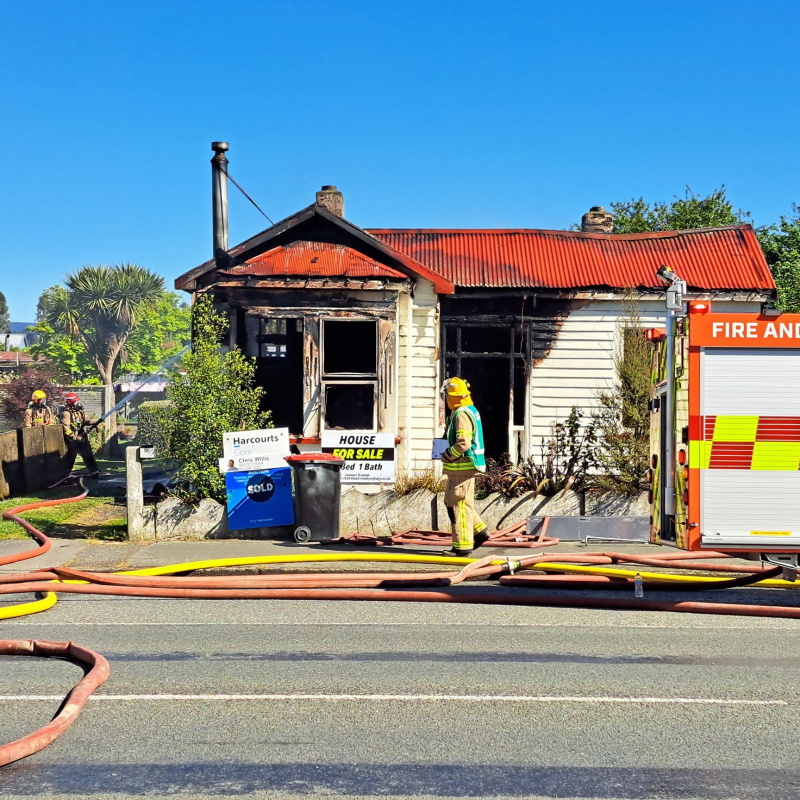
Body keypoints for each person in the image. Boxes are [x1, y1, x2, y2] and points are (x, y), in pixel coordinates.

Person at [439, 377, 490, 557]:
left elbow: (463, 444)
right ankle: (480, 532)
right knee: (453, 502)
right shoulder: (467, 410)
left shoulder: (461, 414)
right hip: (460, 468)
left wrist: (446, 455)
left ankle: (462, 547)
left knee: (458, 506)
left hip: (463, 466)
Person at [60, 392, 99, 476]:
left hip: (82, 437)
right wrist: (75, 437)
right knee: (70, 457)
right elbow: (66, 429)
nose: (77, 403)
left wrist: (91, 423)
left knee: (88, 454)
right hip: (72, 440)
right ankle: (64, 475)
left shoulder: (80, 411)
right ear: (69, 402)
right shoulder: (66, 414)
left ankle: (94, 472)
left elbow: (85, 420)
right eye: (75, 402)